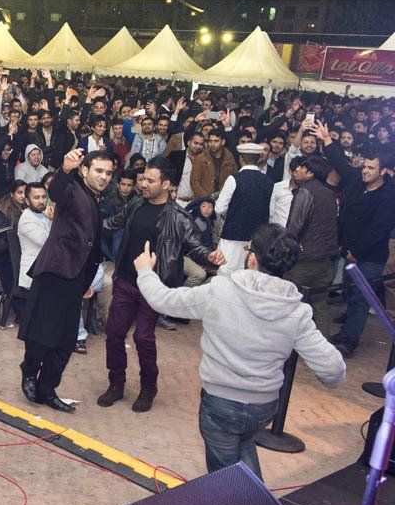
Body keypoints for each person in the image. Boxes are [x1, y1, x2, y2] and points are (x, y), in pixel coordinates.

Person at [134, 225, 345, 479]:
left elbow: (163, 300)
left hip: (221, 405)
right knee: (243, 448)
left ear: (253, 257)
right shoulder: (296, 310)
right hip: (263, 408)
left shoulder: (220, 290)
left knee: (225, 481)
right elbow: (333, 370)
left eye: (248, 249)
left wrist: (145, 271)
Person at [99, 157, 224, 412]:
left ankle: (148, 388)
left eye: (150, 180)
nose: (143, 184)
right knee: (113, 333)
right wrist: (80, 221)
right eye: (143, 179)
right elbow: (111, 224)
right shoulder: (135, 203)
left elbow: (195, 246)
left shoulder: (178, 216)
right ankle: (116, 383)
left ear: (166, 184)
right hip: (125, 280)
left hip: (154, 287)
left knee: (143, 337)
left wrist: (210, 257)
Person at [19, 150, 115, 412]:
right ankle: (29, 372)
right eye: (98, 171)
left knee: (65, 340)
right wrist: (64, 169)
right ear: (85, 171)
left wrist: (87, 280)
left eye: (108, 173)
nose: (104, 177)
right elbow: (58, 191)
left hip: (77, 277)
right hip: (55, 271)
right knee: (41, 332)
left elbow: (91, 244)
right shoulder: (72, 188)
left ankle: (47, 389)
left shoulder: (96, 200)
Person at [318, 124, 395, 356]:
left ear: (382, 171)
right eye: (364, 166)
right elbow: (341, 163)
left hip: (369, 257)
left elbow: (378, 230)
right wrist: (327, 141)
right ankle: (347, 330)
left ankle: (349, 341)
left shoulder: (388, 196)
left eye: (371, 168)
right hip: (349, 251)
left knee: (361, 298)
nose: (365, 171)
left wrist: (357, 253)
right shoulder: (356, 182)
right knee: (349, 293)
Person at [283, 155, 338, 338]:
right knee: (320, 307)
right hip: (325, 261)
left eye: (303, 167)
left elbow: (294, 227)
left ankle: (285, 350)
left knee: (289, 305)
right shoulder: (329, 193)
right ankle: (324, 351)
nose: (298, 169)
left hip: (304, 261)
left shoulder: (305, 192)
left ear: (311, 172)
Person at [214, 143, 276, 275]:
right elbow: (272, 212)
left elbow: (219, 208)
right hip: (256, 240)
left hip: (232, 235)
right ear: (259, 158)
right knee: (249, 276)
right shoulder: (269, 182)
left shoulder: (234, 179)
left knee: (226, 274)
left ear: (240, 158)